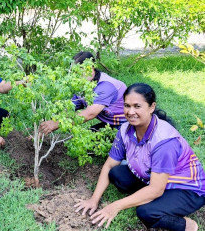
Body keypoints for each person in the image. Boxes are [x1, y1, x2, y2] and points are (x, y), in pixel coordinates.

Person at [74, 83, 205, 231]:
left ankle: (188, 225)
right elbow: (110, 165)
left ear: (151, 107)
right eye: (127, 105)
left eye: (137, 106)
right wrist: (94, 200)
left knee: (147, 212)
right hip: (155, 179)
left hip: (186, 189)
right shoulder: (125, 130)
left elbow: (156, 189)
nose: (130, 112)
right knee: (117, 174)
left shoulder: (164, 142)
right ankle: (148, 197)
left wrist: (115, 206)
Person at [40, 51, 127, 135]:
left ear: (92, 67)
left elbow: (89, 114)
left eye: (81, 69)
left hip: (128, 125)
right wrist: (46, 125)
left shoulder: (106, 86)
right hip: (110, 124)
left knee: (93, 143)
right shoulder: (83, 84)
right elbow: (69, 108)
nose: (77, 74)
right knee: (87, 138)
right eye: (74, 70)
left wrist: (56, 123)